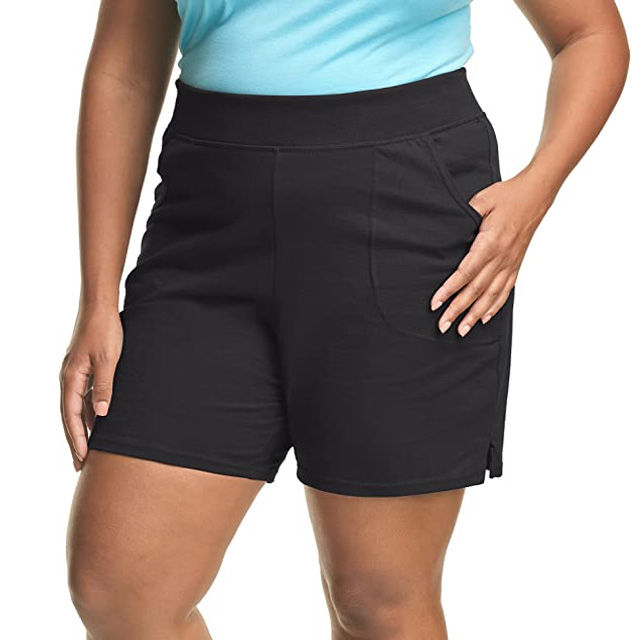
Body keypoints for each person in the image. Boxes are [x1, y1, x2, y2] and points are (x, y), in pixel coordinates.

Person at [61, 1, 629, 638]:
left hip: (403, 216)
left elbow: (589, 34)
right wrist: (97, 300)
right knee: (119, 589)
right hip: (202, 230)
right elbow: (125, 73)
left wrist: (536, 190)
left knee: (377, 601)